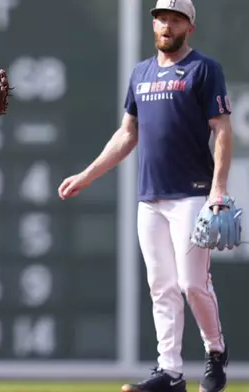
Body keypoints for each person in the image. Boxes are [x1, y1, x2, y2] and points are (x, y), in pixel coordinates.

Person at [57, 1, 232, 391]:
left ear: (190, 27)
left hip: (192, 193)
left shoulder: (204, 69)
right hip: (150, 196)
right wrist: (87, 175)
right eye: (161, 18)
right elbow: (127, 133)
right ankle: (169, 372)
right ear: (153, 24)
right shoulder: (141, 73)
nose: (167, 25)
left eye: (175, 19)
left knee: (192, 284)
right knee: (161, 286)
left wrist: (219, 188)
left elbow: (221, 129)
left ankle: (215, 350)